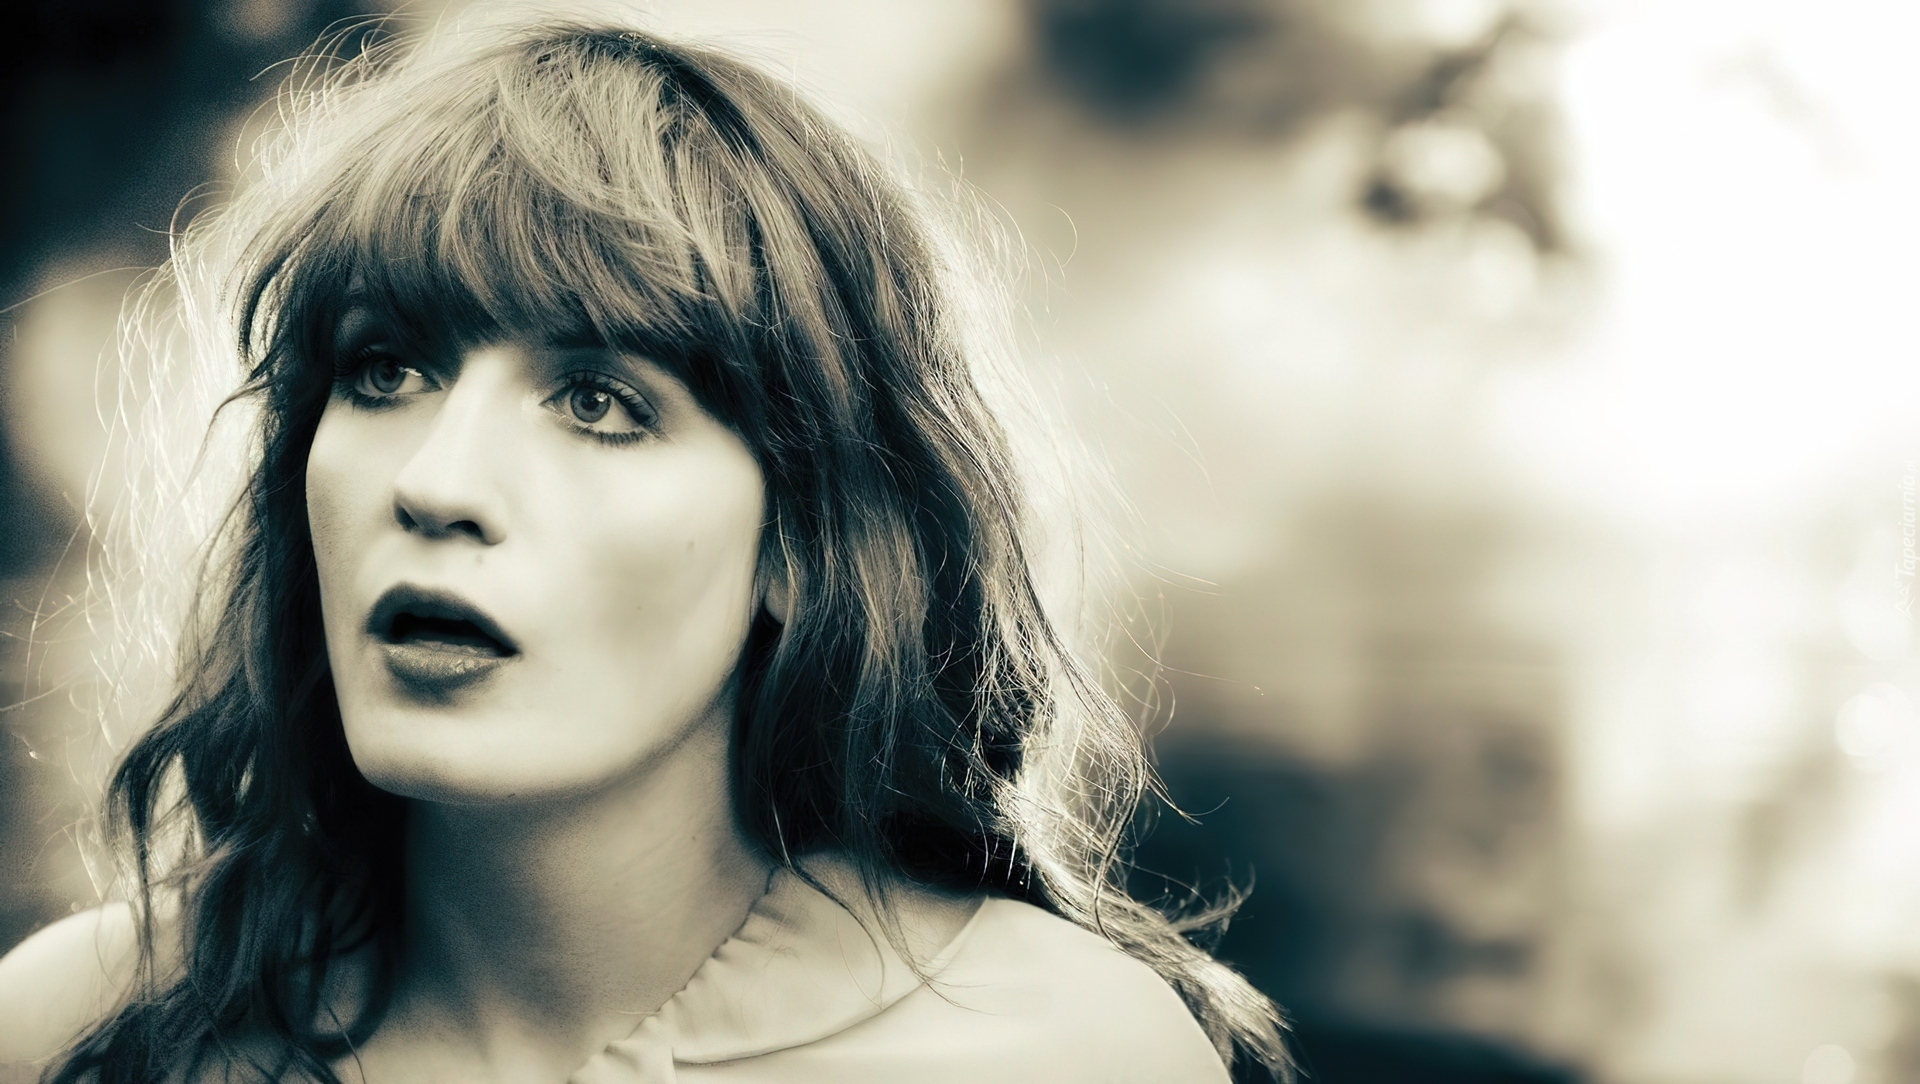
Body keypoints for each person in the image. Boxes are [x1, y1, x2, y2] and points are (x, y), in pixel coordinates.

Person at [0, 18, 1291, 1083]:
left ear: (804, 543)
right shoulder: (78, 1031)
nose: (436, 483)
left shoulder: (1056, 1054)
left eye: (600, 403)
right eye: (384, 370)